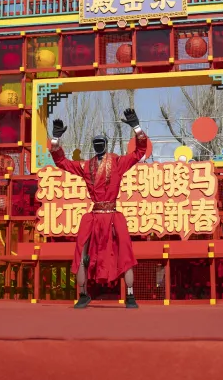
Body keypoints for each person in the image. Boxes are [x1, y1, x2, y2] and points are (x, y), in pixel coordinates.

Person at [48, 107, 148, 309]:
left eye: (100, 143)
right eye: (96, 143)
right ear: (94, 146)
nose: (98, 145)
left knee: (125, 252)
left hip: (112, 215)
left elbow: (139, 152)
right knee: (81, 251)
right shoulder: (87, 166)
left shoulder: (117, 162)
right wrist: (56, 140)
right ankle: (83, 294)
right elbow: (61, 162)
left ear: (105, 144)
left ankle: (130, 296)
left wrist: (137, 127)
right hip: (94, 216)